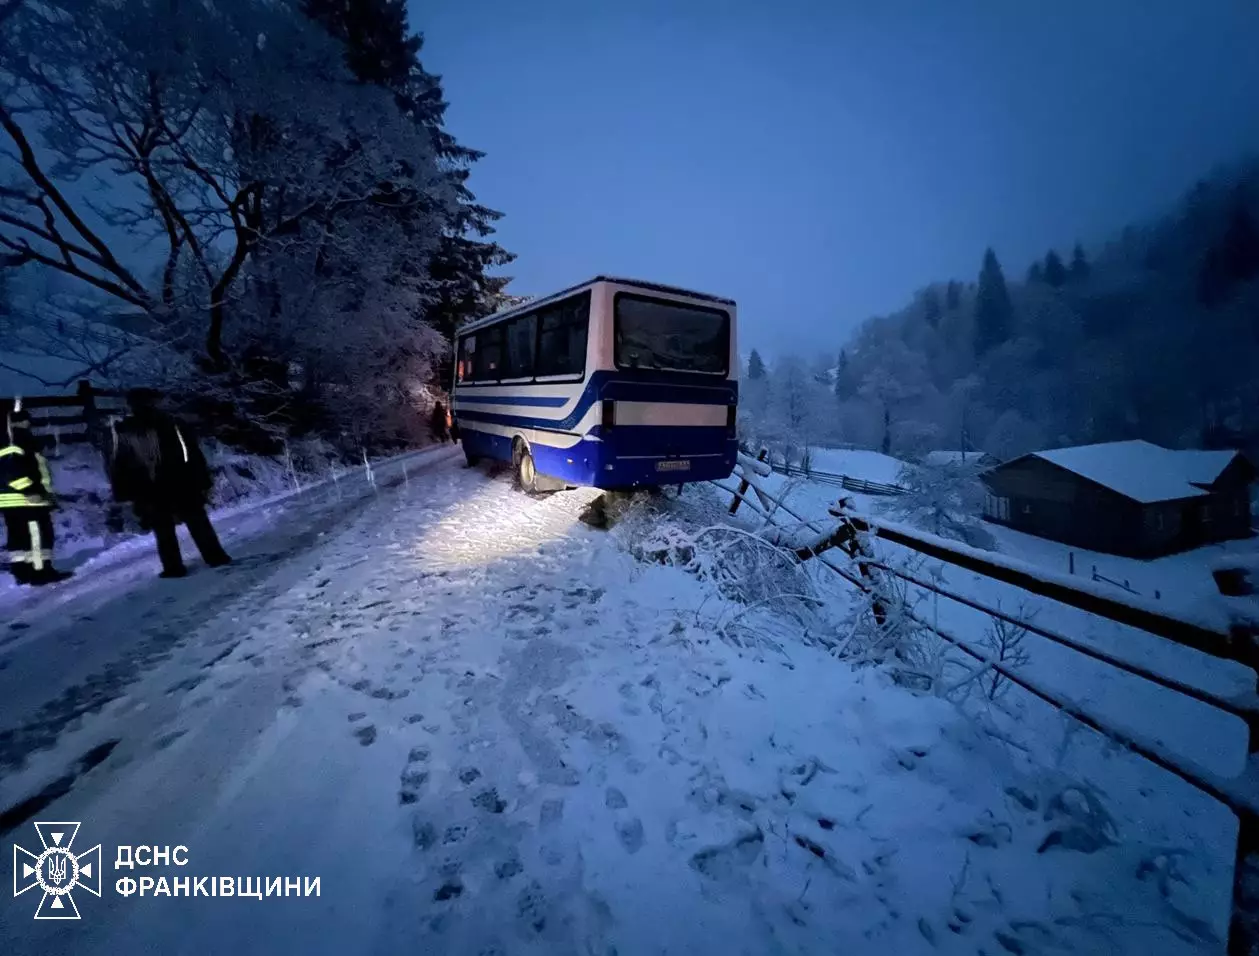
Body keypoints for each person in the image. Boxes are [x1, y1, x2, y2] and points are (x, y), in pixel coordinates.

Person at [109, 388, 231, 579]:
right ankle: (214, 557)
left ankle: (173, 567)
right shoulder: (170, 423)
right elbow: (190, 453)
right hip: (179, 481)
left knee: (163, 528)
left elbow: (119, 463)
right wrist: (202, 480)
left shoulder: (124, 429)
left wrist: (124, 491)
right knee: (196, 520)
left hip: (149, 487)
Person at [1, 403, 73, 586]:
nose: (29, 423)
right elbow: (11, 470)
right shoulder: (19, 439)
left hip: (12, 501)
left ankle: (22, 572)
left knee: (19, 537)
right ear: (22, 422)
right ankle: (40, 572)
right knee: (37, 535)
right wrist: (30, 491)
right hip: (27, 500)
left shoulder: (7, 438)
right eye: (26, 420)